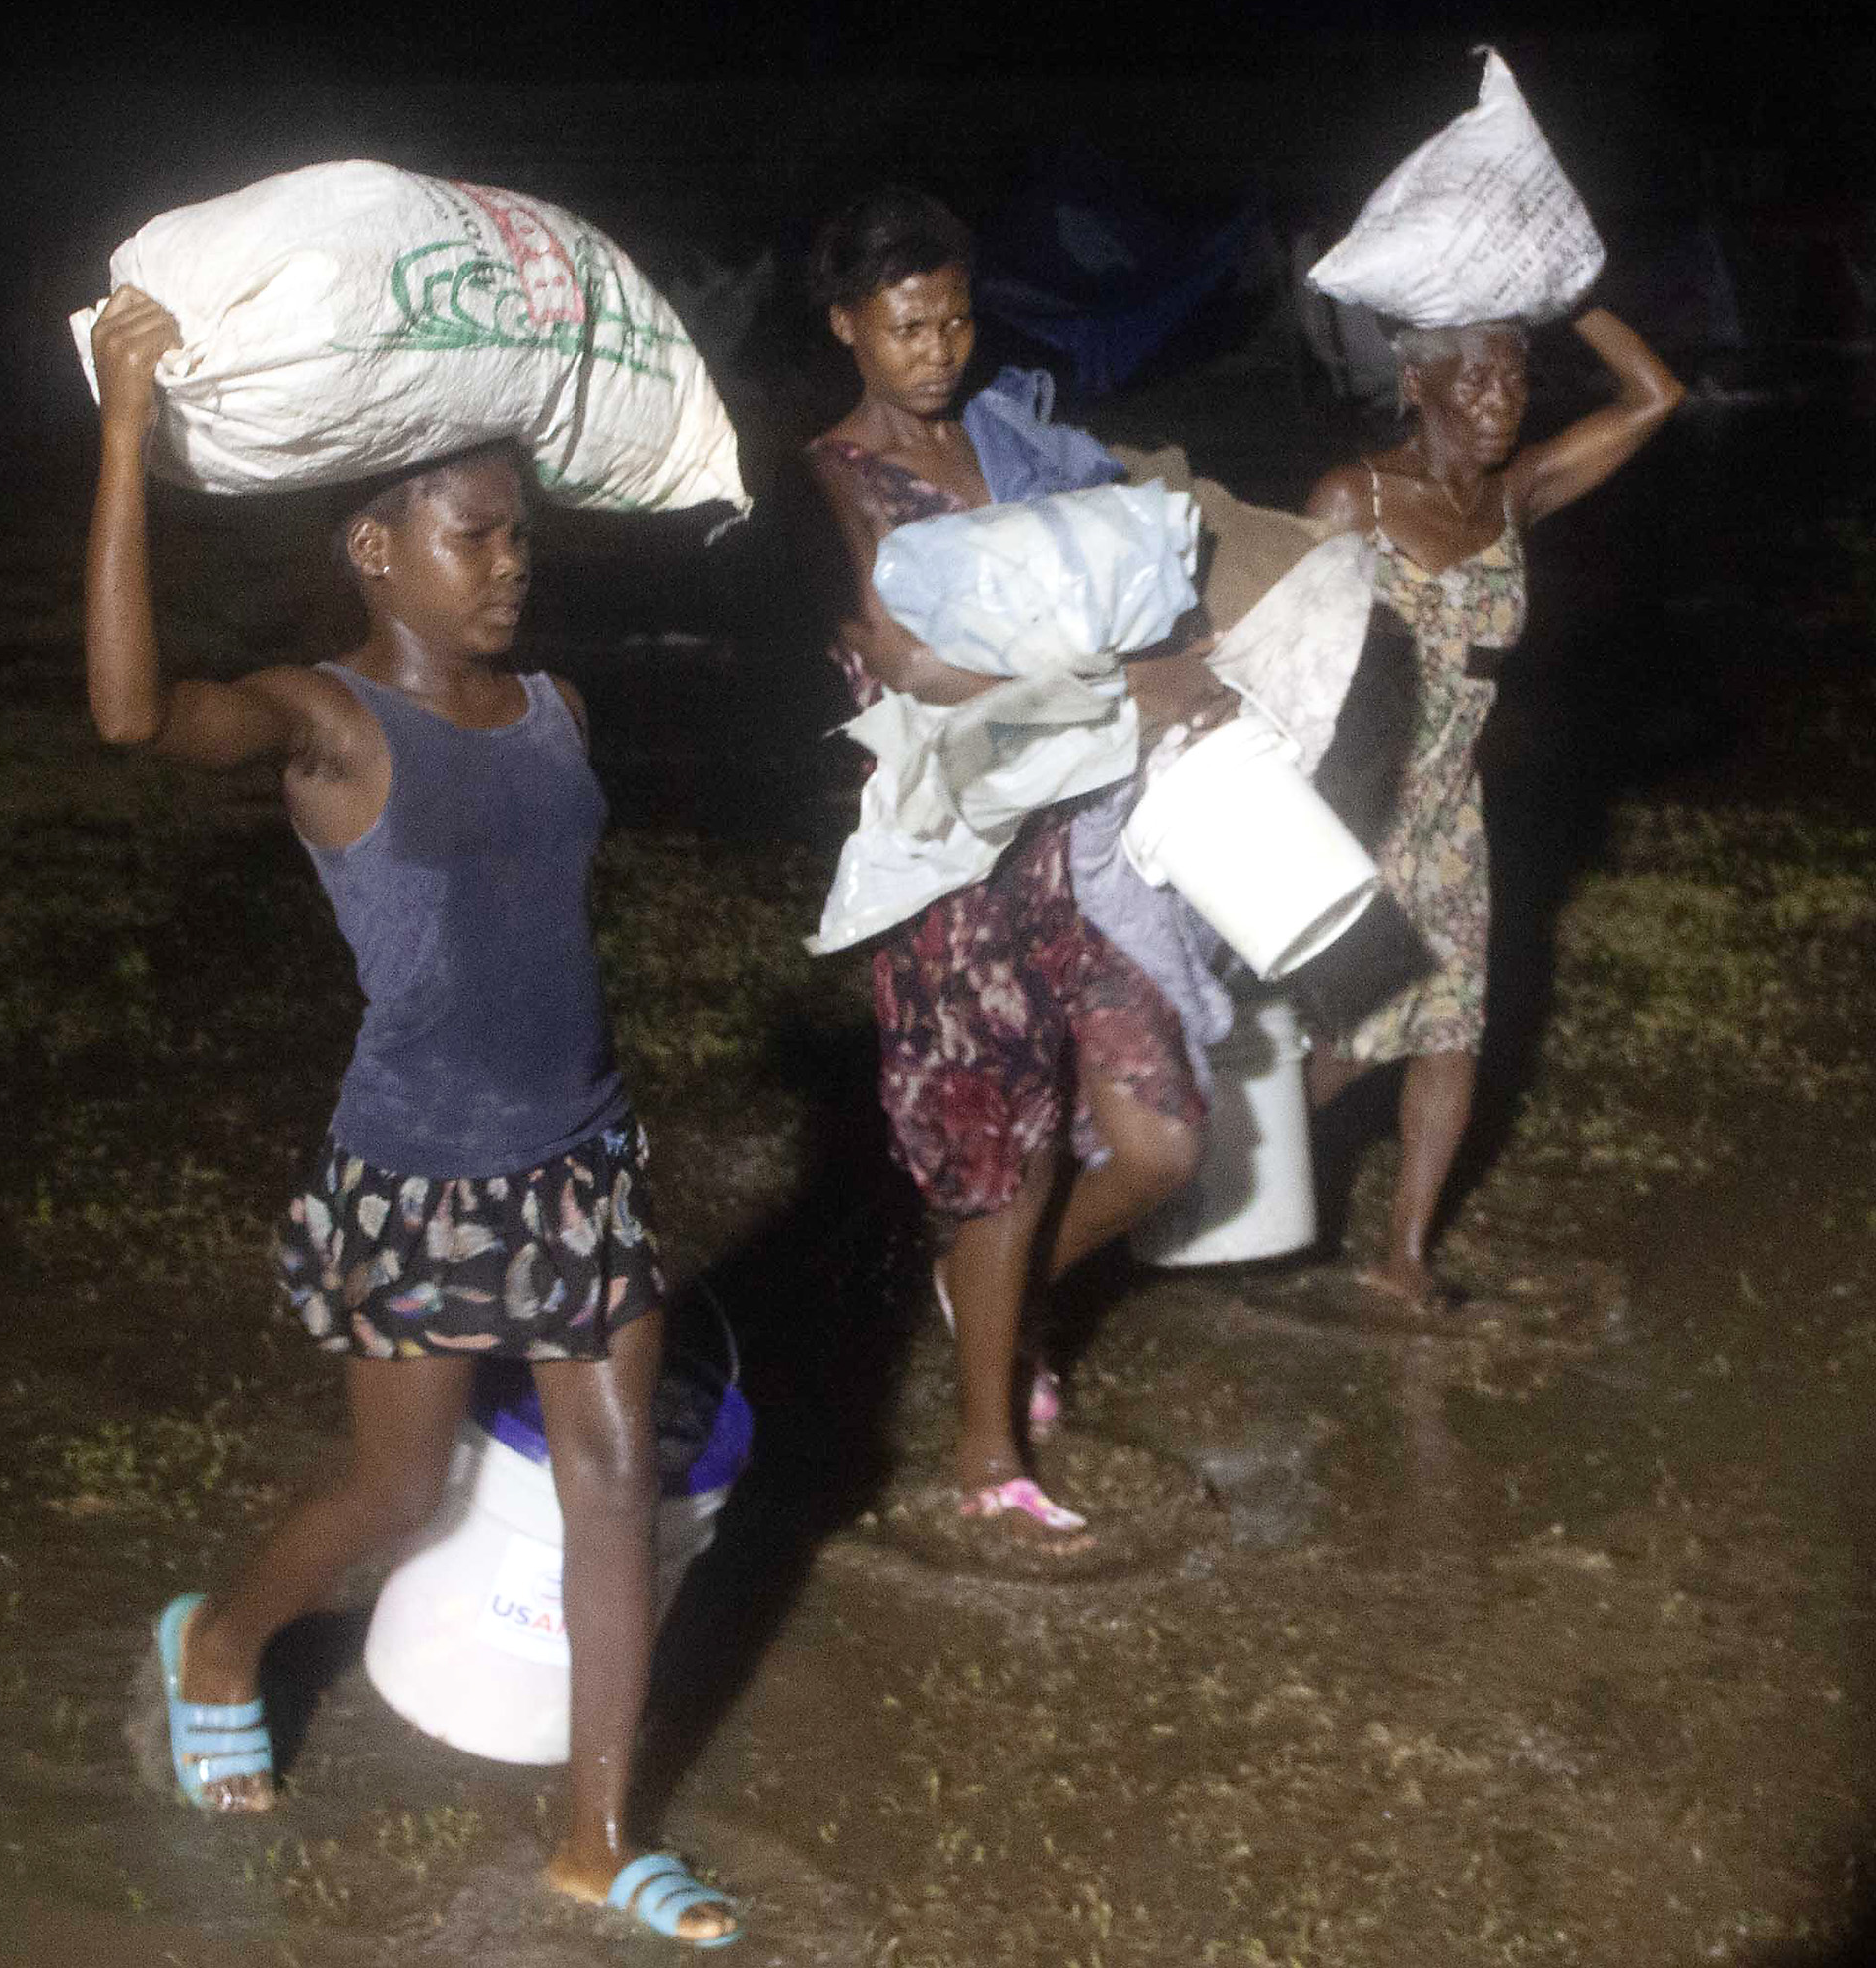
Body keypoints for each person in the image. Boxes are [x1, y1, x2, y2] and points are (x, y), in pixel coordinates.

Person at [84, 289, 739, 1950]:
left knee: (615, 1484)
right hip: (422, 1174)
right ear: (377, 548)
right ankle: (220, 1644)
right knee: (403, 1494)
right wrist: (124, 434)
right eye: (476, 536)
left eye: (524, 536)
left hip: (583, 1161)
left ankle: (595, 1840)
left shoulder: (560, 713)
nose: (513, 565)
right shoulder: (326, 724)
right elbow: (133, 715)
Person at [802, 188, 1235, 1536]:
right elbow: (914, 658)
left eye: (957, 319)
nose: (938, 350)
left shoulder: (1009, 444)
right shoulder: (835, 475)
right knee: (1009, 1161)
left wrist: (1167, 661)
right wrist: (1120, 681)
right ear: (847, 329)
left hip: (1074, 850)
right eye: (906, 325)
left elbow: (1128, 572)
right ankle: (989, 1457)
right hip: (956, 866)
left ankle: (986, 1302)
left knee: (1162, 1136)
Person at [1301, 308, 1682, 1307]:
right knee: (1341, 1042)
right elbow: (1283, 656)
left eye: (1514, 382)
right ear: (1416, 385)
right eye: (1474, 382)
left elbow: (1657, 397)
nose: (1499, 404)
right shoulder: (1356, 498)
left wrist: (1569, 292)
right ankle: (1218, 1184)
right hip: (1357, 800)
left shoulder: (1518, 494)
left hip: (1451, 801)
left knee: (1453, 1026)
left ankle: (1406, 1254)